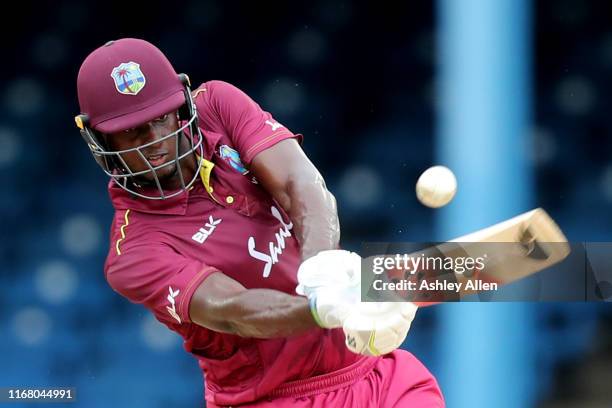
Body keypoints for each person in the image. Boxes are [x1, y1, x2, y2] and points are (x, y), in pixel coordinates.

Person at [75, 38, 444, 407]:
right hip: (273, 398)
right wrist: (326, 307)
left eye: (161, 118)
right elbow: (234, 310)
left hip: (373, 372)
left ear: (181, 103)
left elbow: (298, 183)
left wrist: (323, 270)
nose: (154, 141)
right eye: (132, 131)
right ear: (99, 138)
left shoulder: (217, 105)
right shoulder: (132, 253)